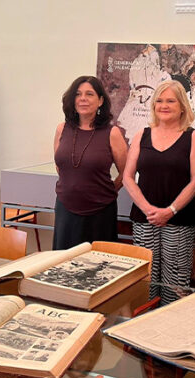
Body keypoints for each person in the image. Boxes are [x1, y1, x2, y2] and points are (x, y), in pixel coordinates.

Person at [123, 80, 195, 304]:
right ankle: (141, 328)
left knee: (175, 283)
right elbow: (128, 177)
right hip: (144, 218)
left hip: (179, 220)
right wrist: (148, 209)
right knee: (145, 279)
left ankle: (170, 331)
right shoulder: (142, 135)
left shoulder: (193, 137)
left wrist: (170, 210)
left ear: (182, 106)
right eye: (159, 100)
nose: (164, 105)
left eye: (170, 100)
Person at [53, 76, 128, 250]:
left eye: (89, 94)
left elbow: (126, 173)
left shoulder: (112, 133)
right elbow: (61, 166)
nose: (83, 99)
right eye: (78, 94)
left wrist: (107, 190)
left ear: (100, 100)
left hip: (100, 212)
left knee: (97, 268)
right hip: (66, 208)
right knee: (64, 267)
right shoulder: (61, 129)